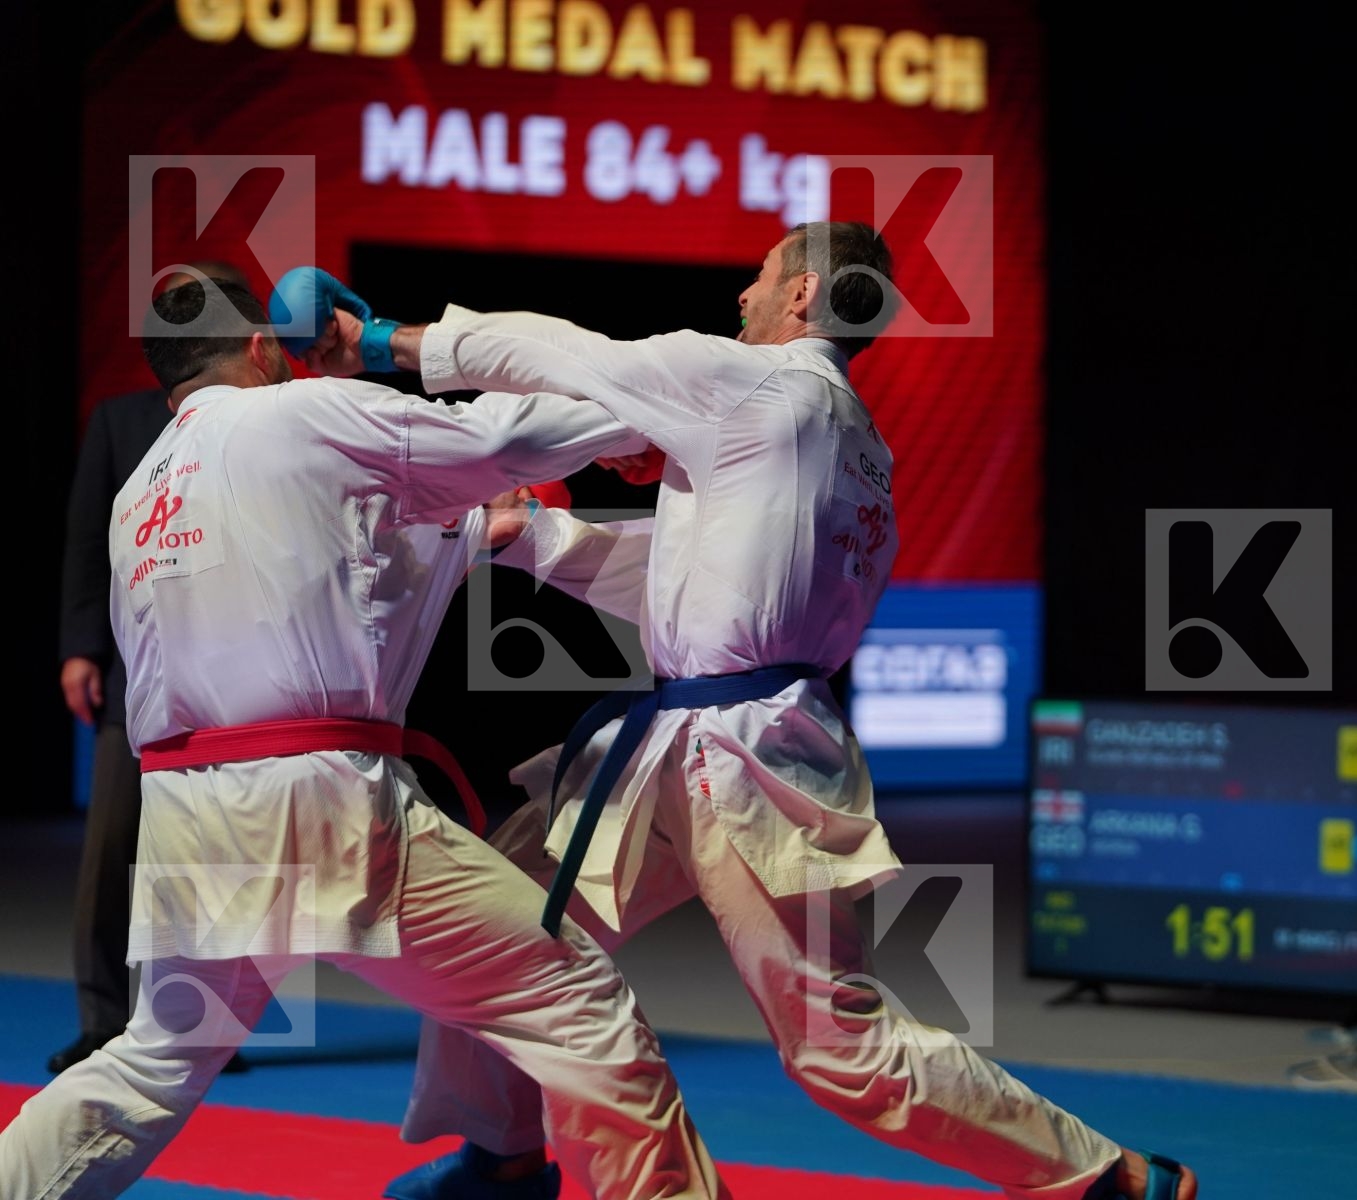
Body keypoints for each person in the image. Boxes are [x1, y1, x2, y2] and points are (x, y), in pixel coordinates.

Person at [290, 222, 1197, 1200]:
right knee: (502, 912)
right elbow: (704, 596)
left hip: (742, 757)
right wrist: (537, 535)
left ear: (804, 294)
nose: (740, 295)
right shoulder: (856, 445)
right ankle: (504, 1158)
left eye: (760, 276)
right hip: (701, 737)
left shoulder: (758, 386)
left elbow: (560, 355)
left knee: (835, 1041)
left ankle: (1109, 1179)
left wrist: (383, 344)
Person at [0, 279, 727, 1199]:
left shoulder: (142, 490)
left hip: (187, 818)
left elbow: (347, 579)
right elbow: (501, 439)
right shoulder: (304, 413)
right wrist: (648, 414)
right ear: (265, 345)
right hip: (315, 801)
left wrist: (477, 529)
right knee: (573, 1004)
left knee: (152, 1061)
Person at [52, 261, 253, 1076]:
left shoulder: (263, 418)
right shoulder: (121, 420)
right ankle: (104, 1020)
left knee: (214, 854)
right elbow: (83, 543)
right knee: (112, 851)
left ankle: (198, 1020)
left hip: (234, 673)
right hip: (138, 672)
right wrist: (78, 647)